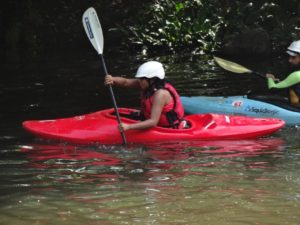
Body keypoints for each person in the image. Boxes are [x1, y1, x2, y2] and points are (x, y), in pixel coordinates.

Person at [104, 61, 186, 132]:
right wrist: (113, 79)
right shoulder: (146, 83)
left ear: (152, 79)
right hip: (147, 118)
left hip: (168, 129)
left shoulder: (161, 94)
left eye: (141, 79)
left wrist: (128, 127)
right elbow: (126, 82)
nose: (139, 81)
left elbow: (153, 122)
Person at [266, 40, 300, 107]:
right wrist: (284, 82)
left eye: (293, 57)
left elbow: (272, 89)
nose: (289, 60)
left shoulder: (296, 75)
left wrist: (269, 78)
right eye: (289, 57)